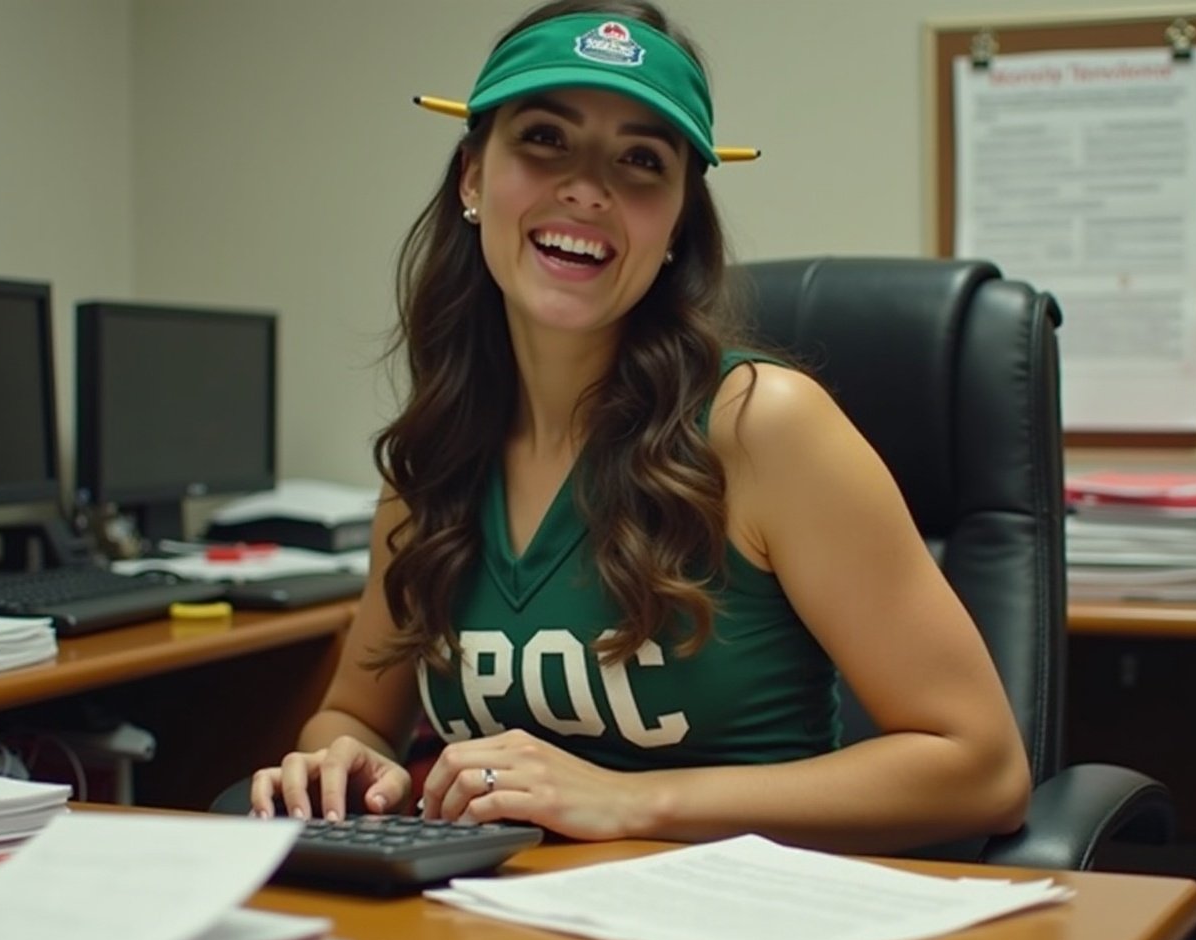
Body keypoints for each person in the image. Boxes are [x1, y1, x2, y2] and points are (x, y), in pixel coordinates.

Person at [248, 0, 1031, 854]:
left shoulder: (762, 427)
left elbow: (983, 769)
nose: (587, 189)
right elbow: (357, 713)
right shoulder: (431, 466)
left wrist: (633, 802)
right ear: (473, 177)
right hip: (494, 922)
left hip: (742, 920)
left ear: (677, 222)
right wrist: (340, 764)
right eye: (545, 139)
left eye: (640, 160)